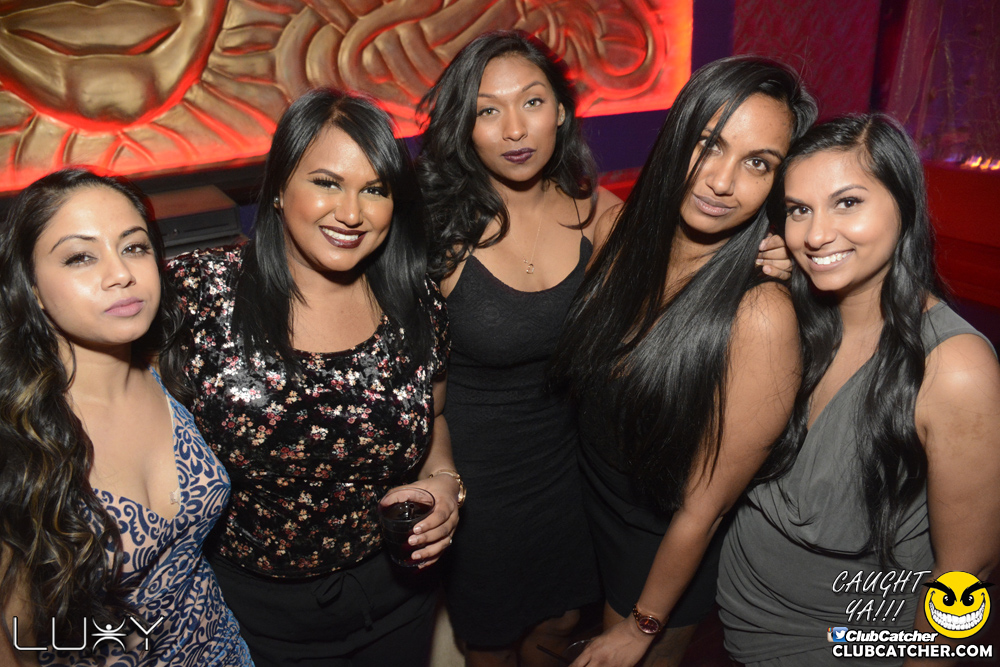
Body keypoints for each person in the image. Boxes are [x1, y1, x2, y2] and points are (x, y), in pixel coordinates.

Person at [164, 88, 461, 667]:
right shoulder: (199, 294)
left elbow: (436, 415)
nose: (351, 213)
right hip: (249, 615)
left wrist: (445, 481)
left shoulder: (415, 301)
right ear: (278, 187)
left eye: (374, 189)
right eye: (327, 182)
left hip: (395, 598)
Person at [550, 56, 817, 666]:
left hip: (659, 553)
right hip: (585, 507)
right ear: (677, 136)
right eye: (709, 144)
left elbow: (707, 505)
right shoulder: (619, 234)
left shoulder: (760, 314)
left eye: (758, 164)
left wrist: (641, 627)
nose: (722, 181)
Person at [718, 114, 1000, 666]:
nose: (815, 235)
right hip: (736, 611)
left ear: (904, 205)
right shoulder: (788, 315)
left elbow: (967, 576)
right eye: (799, 209)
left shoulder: (955, 368)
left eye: (847, 202)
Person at [417, 30, 621, 666]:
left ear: (560, 110)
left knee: (560, 621)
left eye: (532, 102)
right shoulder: (436, 230)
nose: (514, 129)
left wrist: (768, 259)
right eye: (488, 110)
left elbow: (680, 292)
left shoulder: (601, 216)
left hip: (565, 471)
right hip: (472, 480)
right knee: (491, 641)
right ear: (465, 126)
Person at [0, 168, 252, 666]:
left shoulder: (171, 370)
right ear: (31, 286)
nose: (120, 274)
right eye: (80, 257)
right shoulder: (18, 439)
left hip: (225, 651)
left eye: (134, 247)